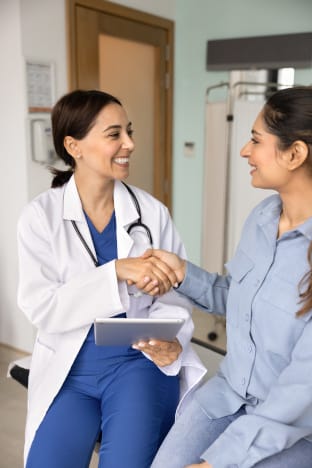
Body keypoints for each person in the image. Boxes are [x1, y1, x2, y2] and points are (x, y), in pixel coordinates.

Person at [17, 89, 206, 468]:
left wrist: (172, 339)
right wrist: (116, 271)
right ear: (75, 146)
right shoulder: (41, 217)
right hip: (70, 368)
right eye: (114, 134)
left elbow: (175, 300)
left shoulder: (151, 213)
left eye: (129, 131)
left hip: (139, 363)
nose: (130, 144)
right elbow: (43, 306)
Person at [142, 86, 312, 468]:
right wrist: (183, 273)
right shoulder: (263, 219)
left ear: (295, 153)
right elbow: (240, 299)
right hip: (228, 394)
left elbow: (302, 389)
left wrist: (218, 462)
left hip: (294, 426)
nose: (244, 152)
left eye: (255, 140)